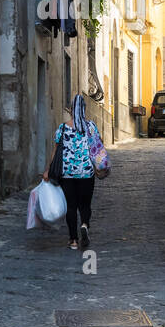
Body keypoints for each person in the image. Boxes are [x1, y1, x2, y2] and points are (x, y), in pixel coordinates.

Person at [44, 92, 98, 250]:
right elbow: (97, 149)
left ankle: (73, 240)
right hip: (86, 173)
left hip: (67, 174)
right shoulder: (91, 127)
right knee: (85, 205)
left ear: (71, 109)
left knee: (71, 206)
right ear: (84, 109)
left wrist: (48, 170)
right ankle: (85, 225)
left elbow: (55, 151)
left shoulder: (62, 128)